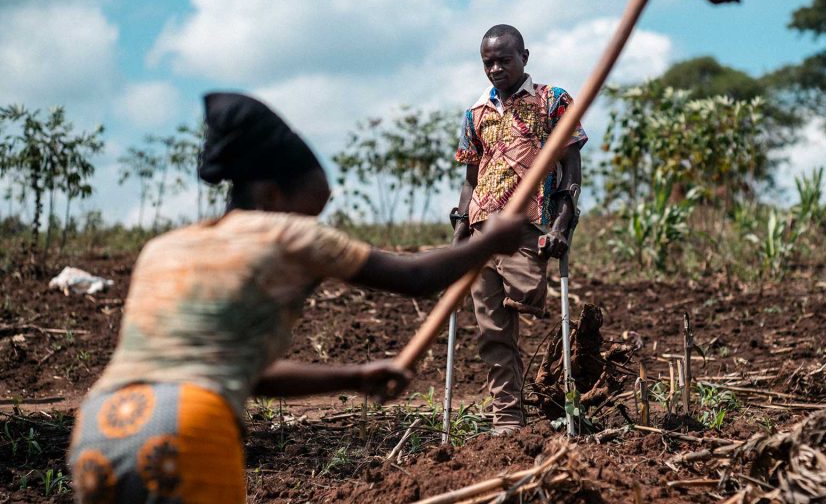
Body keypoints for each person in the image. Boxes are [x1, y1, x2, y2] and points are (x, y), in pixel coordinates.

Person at [68, 92, 526, 503]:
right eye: (311, 207)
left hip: (98, 428)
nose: (313, 219)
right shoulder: (288, 234)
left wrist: (355, 376)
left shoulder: (163, 248)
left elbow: (250, 374)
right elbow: (415, 278)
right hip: (189, 424)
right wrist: (488, 241)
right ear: (271, 192)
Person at [452, 24, 586, 434]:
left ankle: (556, 390)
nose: (495, 69)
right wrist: (460, 229)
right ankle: (506, 418)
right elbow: (471, 177)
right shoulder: (476, 113)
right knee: (491, 329)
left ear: (524, 57)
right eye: (487, 62)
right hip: (481, 227)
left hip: (528, 224)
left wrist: (563, 223)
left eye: (503, 60)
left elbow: (571, 167)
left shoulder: (553, 101)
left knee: (527, 295)